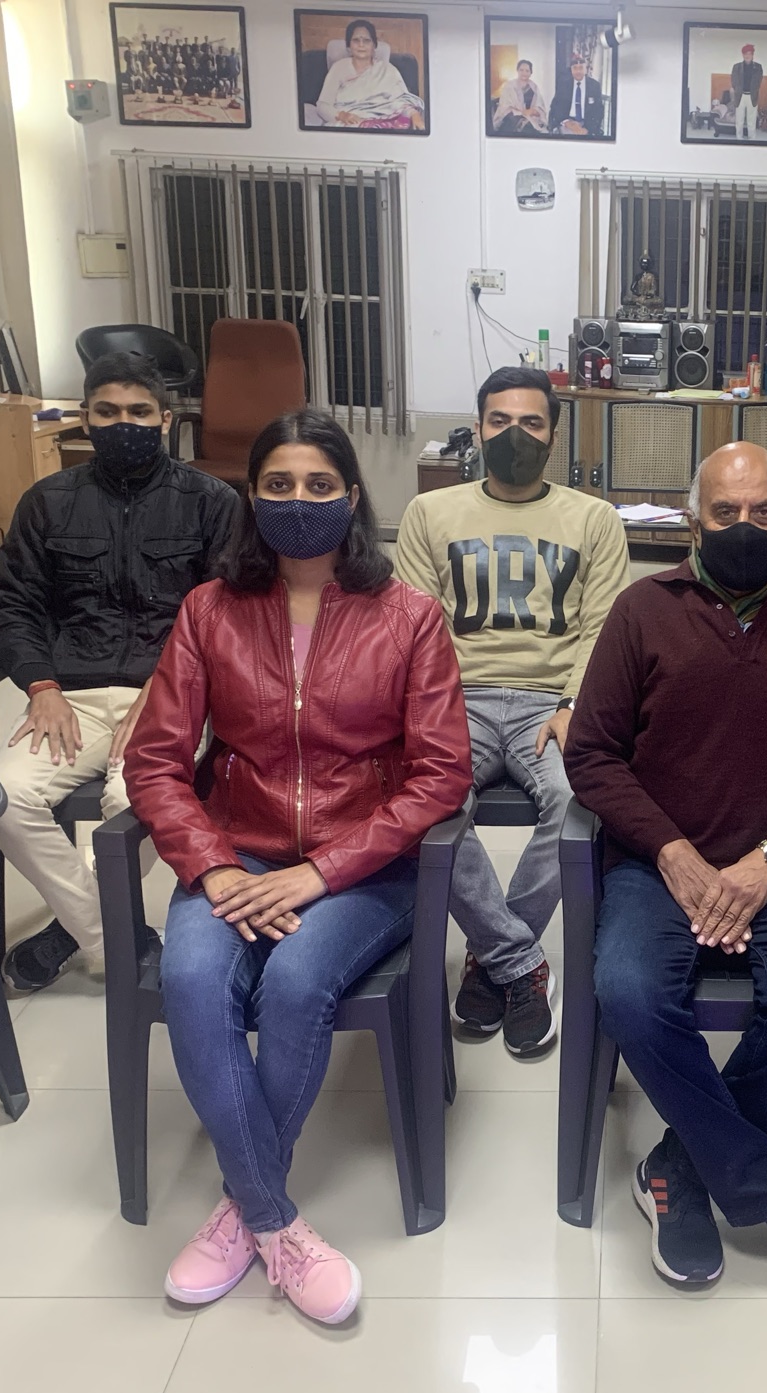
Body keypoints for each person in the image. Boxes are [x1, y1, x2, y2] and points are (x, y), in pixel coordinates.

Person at [127, 409, 471, 1326]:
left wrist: (321, 873)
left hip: (365, 865)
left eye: (320, 486)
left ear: (353, 498)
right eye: (278, 485)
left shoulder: (410, 616)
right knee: (192, 979)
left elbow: (442, 774)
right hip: (236, 852)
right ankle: (273, 1220)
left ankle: (240, 1211)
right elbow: (155, 762)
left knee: (294, 982)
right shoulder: (210, 610)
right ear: (251, 497)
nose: (299, 502)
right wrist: (212, 869)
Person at [566, 442, 767, 1312]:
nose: (744, 526)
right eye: (724, 512)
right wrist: (671, 852)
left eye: (763, 512)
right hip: (659, 866)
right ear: (693, 520)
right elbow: (592, 754)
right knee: (628, 990)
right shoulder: (643, 610)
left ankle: (678, 1165)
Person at [394, 367, 627, 1057]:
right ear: (477, 428)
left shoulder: (594, 519)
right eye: (499, 421)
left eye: (531, 423)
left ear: (554, 434)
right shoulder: (429, 513)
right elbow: (412, 627)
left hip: (549, 704)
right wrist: (432, 710)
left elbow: (603, 628)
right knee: (425, 803)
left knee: (580, 797)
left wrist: (575, 704)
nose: (514, 435)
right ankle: (518, 962)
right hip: (455, 699)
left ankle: (492, 954)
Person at [0, 352, 237, 994]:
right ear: (85, 418)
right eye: (107, 412)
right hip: (68, 695)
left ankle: (68, 931)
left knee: (141, 801)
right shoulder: (47, 502)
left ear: (165, 419)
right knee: (1, 795)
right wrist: (40, 685)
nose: (123, 424)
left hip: (172, 695)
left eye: (138, 412)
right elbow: (13, 607)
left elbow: (227, 617)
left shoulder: (211, 502)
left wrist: (167, 686)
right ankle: (112, 935)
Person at [318, 19, 423, 130]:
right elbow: (322, 105)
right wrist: (341, 115)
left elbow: (401, 101)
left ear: (374, 45)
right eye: (356, 40)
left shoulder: (387, 70)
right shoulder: (339, 68)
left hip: (384, 121)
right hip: (350, 123)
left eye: (367, 41)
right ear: (349, 46)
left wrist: (414, 115)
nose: (361, 45)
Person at [551, 56, 606, 136]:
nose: (578, 71)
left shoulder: (594, 85)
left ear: (586, 69)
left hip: (587, 124)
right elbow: (556, 107)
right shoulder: (563, 85)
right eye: (575, 68)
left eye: (581, 68)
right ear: (571, 69)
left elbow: (599, 110)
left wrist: (587, 129)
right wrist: (566, 122)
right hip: (568, 121)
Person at [492, 59, 546, 135]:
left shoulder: (534, 87)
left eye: (527, 71)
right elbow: (505, 108)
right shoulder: (509, 86)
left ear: (531, 73)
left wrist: (534, 111)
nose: (524, 73)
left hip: (530, 117)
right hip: (511, 118)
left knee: (533, 127)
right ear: (517, 71)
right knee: (523, 126)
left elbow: (540, 107)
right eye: (521, 70)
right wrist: (522, 112)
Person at [730, 44, 763, 139]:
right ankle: (739, 138)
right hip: (740, 96)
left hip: (752, 97)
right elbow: (734, 81)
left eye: (749, 54)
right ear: (743, 55)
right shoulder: (736, 67)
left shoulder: (758, 67)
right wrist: (738, 90)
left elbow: (759, 81)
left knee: (751, 121)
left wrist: (754, 90)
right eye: (745, 54)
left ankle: (751, 139)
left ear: (752, 55)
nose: (747, 56)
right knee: (739, 120)